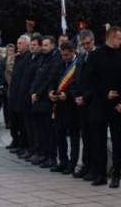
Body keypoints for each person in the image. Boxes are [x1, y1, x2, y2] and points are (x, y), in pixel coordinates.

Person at [85, 26, 121, 188]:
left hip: (116, 107)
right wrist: (105, 93)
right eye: (119, 38)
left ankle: (116, 175)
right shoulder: (95, 56)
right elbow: (89, 81)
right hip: (99, 105)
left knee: (117, 141)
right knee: (99, 141)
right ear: (111, 37)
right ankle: (100, 174)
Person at [49, 40, 80, 175]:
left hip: (72, 106)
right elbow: (53, 80)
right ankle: (63, 161)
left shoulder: (78, 65)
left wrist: (67, 94)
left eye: (66, 55)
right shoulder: (60, 64)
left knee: (73, 136)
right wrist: (50, 92)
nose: (64, 57)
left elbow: (79, 85)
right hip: (59, 106)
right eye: (62, 55)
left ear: (73, 52)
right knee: (59, 134)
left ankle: (72, 164)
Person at [29, 36, 60, 168]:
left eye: (46, 45)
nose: (43, 47)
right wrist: (32, 92)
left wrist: (39, 93)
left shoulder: (55, 59)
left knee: (49, 130)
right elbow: (37, 77)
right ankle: (42, 153)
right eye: (43, 45)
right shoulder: (42, 58)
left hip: (46, 100)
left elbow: (50, 79)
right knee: (40, 129)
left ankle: (51, 157)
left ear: (53, 45)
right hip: (37, 99)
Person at [71, 29, 95, 180]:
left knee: (93, 138)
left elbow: (96, 84)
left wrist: (85, 98)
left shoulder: (97, 57)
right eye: (83, 44)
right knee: (85, 137)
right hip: (80, 104)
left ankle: (94, 167)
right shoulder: (80, 58)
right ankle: (86, 166)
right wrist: (75, 95)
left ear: (93, 41)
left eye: (88, 43)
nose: (86, 46)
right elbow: (75, 80)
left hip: (92, 104)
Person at [6, 36, 31, 154]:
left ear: (27, 45)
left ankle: (23, 144)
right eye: (17, 43)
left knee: (22, 122)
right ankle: (15, 140)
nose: (18, 46)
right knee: (13, 119)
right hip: (14, 92)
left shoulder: (28, 57)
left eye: (20, 43)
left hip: (22, 94)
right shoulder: (18, 57)